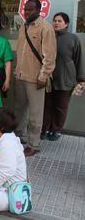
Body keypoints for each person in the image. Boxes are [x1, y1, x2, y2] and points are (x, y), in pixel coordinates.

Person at [14, 0, 57, 156]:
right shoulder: (23, 27)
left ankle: (33, 144)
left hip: (36, 78)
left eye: (30, 10)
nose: (27, 13)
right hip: (20, 75)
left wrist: (43, 76)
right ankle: (20, 137)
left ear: (39, 11)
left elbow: (50, 56)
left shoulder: (45, 28)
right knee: (20, 110)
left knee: (35, 114)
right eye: (26, 10)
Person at [42, 12, 85, 141]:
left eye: (60, 21)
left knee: (61, 107)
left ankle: (56, 130)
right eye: (55, 20)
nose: (56, 23)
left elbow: (79, 59)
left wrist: (81, 79)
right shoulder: (48, 37)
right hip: (49, 79)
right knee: (47, 105)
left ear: (66, 24)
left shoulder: (73, 39)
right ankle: (45, 128)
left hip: (65, 79)